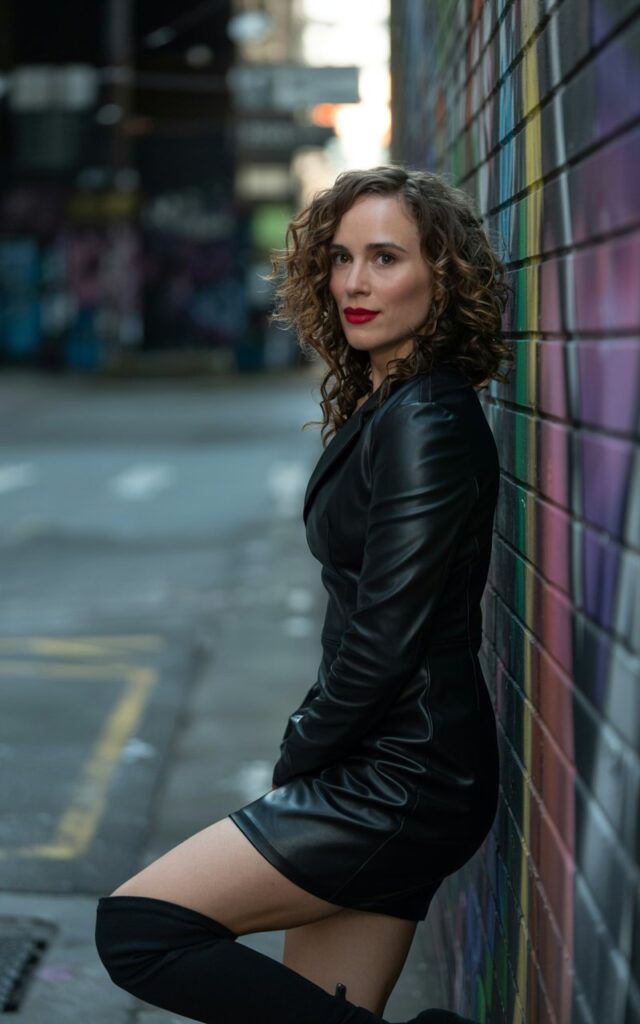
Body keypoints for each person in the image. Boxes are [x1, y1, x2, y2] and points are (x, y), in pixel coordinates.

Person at [94, 164, 513, 1024]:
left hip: (399, 778)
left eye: (386, 258)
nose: (356, 283)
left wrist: (297, 761)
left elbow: (386, 639)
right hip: (394, 764)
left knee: (138, 929)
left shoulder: (427, 421)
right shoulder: (390, 403)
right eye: (341, 258)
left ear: (443, 277)